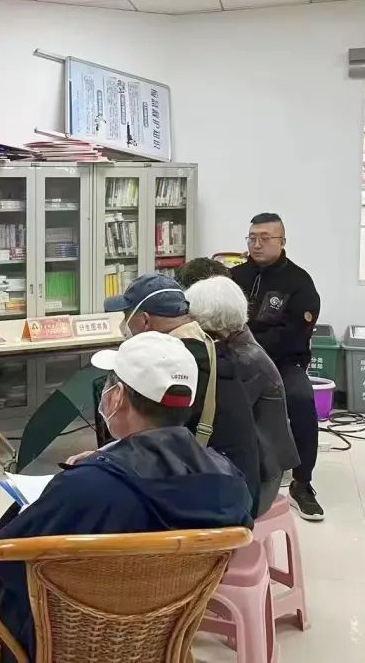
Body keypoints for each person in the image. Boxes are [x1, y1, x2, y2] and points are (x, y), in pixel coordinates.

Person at [0, 332, 254, 661]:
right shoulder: (231, 485)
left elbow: (1, 561)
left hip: (56, 646)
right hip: (160, 645)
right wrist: (108, 458)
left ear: (118, 397)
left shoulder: (85, 488)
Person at [105, 272, 261, 511]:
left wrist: (100, 462)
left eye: (127, 316)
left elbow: (148, 439)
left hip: (213, 500)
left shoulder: (173, 368)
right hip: (235, 488)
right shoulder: (209, 348)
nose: (123, 325)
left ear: (145, 321)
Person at [231, 212, 323, 521]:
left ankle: (302, 483)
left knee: (302, 400)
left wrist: (250, 345)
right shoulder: (234, 277)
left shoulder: (299, 282)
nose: (257, 244)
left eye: (265, 238)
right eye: (252, 238)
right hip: (234, 357)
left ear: (282, 241)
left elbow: (294, 333)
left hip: (282, 362)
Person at [186, 276, 300, 516]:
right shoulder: (237, 343)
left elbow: (215, 419)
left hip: (258, 480)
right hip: (251, 466)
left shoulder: (242, 361)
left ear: (208, 319)